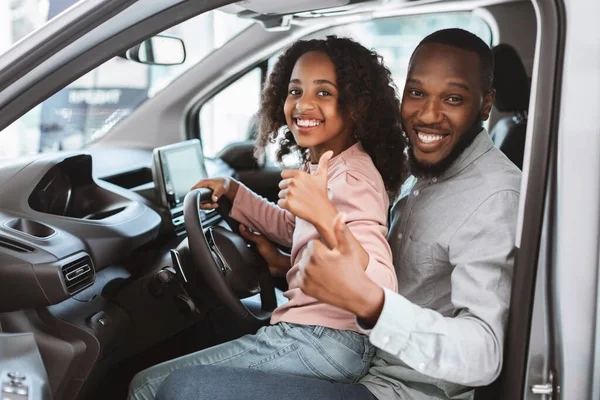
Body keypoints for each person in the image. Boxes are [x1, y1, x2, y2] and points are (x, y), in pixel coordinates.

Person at [155, 28, 522, 400]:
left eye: (454, 98)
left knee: (180, 388)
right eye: (416, 93)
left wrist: (369, 300)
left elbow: (484, 354)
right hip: (362, 355)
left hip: (397, 388)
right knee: (210, 325)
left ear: (486, 104)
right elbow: (353, 245)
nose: (428, 114)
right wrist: (287, 263)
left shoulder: (494, 195)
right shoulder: (423, 166)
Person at [127, 35, 407, 400]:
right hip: (325, 338)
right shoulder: (330, 163)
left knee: (146, 387)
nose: (303, 103)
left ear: (356, 106)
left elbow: (382, 285)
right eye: (294, 91)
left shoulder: (350, 179)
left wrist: (324, 215)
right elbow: (296, 229)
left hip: (322, 340)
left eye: (324, 93)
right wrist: (236, 195)